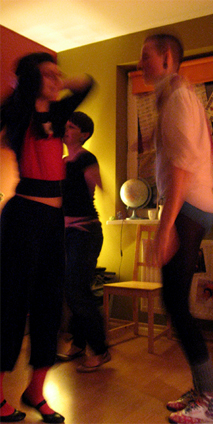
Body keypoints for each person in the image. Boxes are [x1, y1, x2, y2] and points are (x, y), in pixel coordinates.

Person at [1, 52, 93, 423]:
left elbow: (87, 84)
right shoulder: (18, 114)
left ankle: (35, 391)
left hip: (54, 220)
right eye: (48, 75)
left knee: (49, 304)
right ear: (31, 80)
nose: (57, 80)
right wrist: (27, 84)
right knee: (11, 304)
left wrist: (57, 80)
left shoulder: (59, 112)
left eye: (59, 73)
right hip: (23, 217)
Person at [137, 34, 213, 424]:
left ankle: (212, 397)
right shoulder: (174, 97)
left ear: (167, 57)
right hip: (190, 206)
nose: (141, 63)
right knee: (175, 302)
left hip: (188, 206)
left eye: (146, 55)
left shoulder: (180, 99)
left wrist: (165, 226)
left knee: (174, 301)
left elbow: (182, 167)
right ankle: (204, 388)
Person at [57, 111, 110, 372]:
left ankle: (100, 350)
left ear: (84, 134)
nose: (66, 129)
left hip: (85, 232)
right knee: (72, 289)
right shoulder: (62, 161)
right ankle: (79, 344)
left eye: (72, 126)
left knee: (77, 290)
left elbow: (94, 186)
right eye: (66, 125)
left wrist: (96, 181)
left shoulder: (86, 158)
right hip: (68, 233)